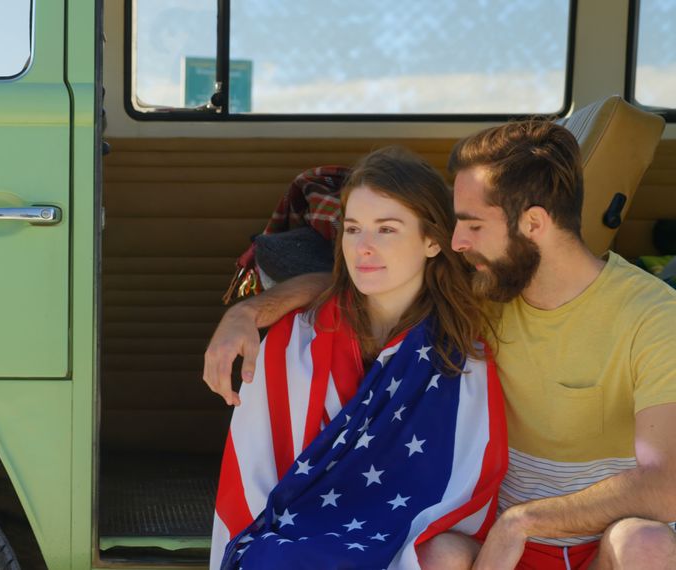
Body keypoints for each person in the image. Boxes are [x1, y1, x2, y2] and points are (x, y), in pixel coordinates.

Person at [204, 121, 676, 569]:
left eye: (471, 224)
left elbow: (666, 485)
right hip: (489, 539)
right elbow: (358, 282)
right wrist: (247, 312)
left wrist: (525, 521)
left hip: (594, 538)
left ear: (532, 224)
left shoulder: (652, 314)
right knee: (437, 556)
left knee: (648, 546)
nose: (457, 242)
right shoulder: (485, 292)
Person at [211, 147, 507, 569]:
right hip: (300, 535)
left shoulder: (463, 350)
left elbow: (465, 486)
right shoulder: (295, 341)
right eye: (352, 229)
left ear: (433, 240)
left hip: (406, 532)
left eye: (386, 230)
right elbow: (255, 481)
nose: (363, 248)